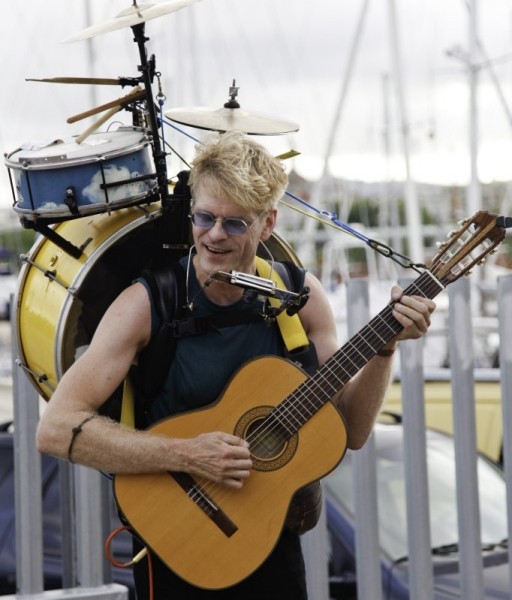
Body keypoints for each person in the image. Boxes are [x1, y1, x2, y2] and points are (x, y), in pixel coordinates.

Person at [36, 130, 436, 599]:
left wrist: (384, 349)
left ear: (268, 224)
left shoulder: (300, 300)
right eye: (205, 217)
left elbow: (351, 429)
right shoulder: (146, 304)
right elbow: (56, 429)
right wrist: (187, 454)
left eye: (235, 223)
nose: (215, 235)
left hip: (272, 538)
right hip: (176, 539)